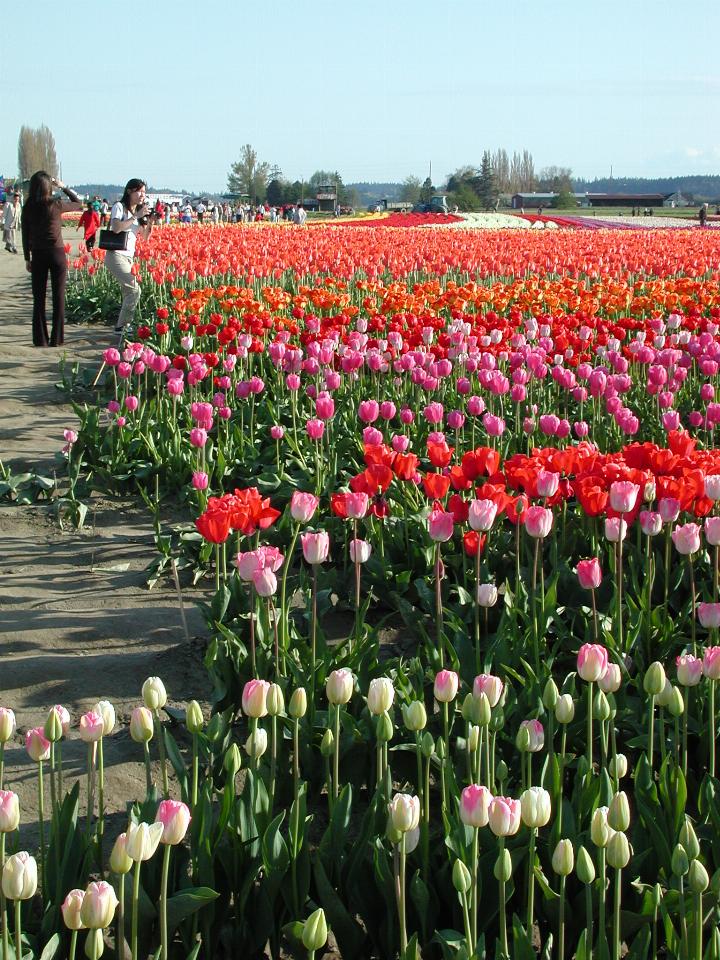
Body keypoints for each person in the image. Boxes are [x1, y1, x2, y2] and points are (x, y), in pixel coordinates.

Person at [21, 172, 82, 347]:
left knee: (38, 298)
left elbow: (25, 235)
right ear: (49, 187)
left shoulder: (28, 207)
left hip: (38, 254)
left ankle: (40, 339)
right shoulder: (56, 204)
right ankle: (57, 338)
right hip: (57, 253)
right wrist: (63, 187)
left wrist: (27, 258)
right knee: (58, 296)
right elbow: (78, 203)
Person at [104, 178, 155, 337]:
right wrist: (135, 216)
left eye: (144, 192)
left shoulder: (138, 212)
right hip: (116, 255)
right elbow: (116, 228)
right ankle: (122, 327)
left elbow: (145, 237)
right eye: (139, 191)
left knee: (129, 292)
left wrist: (150, 222)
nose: (142, 195)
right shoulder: (120, 207)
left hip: (129, 257)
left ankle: (124, 326)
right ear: (129, 191)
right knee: (135, 290)